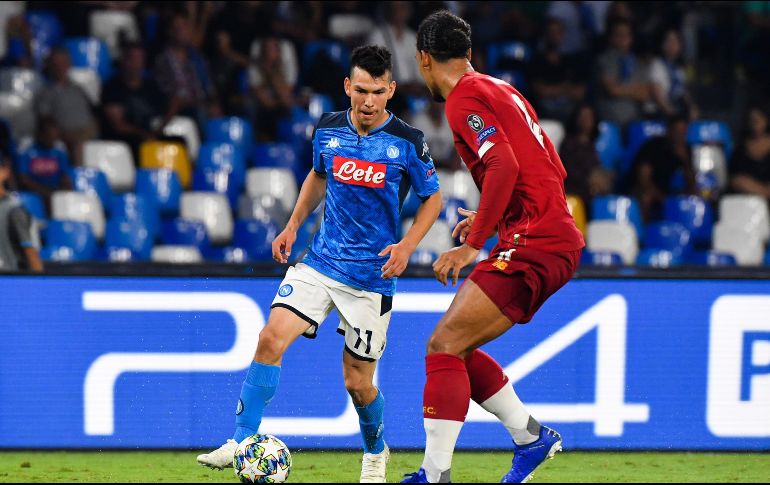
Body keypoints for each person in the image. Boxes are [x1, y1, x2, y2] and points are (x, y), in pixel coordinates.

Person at [196, 45, 443, 483]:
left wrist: (406, 246)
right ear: (348, 86)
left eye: (377, 92)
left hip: (372, 278)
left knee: (357, 384)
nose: (367, 101)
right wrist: (292, 226)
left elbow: (433, 198)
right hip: (320, 262)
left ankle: (375, 451)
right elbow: (318, 176)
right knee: (271, 338)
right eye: (360, 90)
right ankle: (240, 439)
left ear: (391, 91)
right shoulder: (328, 129)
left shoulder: (407, 142)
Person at [402, 11, 584, 483]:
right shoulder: (502, 88)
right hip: (550, 234)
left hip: (536, 239)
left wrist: (474, 244)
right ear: (468, 52)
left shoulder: (463, 98)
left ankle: (434, 475)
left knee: (443, 345)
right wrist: (496, 218)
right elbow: (549, 163)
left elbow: (502, 164)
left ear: (423, 58)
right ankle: (530, 438)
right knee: (453, 348)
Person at [628, 114, 696, 222]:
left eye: (683, 131)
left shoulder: (686, 150)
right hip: (646, 189)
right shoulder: (653, 147)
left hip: (670, 192)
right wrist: (663, 198)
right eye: (677, 131)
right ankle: (644, 234)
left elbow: (691, 183)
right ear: (669, 131)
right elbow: (643, 180)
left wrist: (685, 161)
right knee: (646, 196)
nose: (680, 135)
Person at [16, 118, 73, 211]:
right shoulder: (26, 149)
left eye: (54, 137)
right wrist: (45, 192)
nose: (52, 141)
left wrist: (63, 192)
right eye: (49, 137)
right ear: (40, 134)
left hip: (55, 193)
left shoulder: (59, 150)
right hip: (34, 195)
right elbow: (24, 180)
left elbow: (65, 177)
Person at [0, 158, 43, 273]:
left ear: (5, 171)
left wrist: (41, 284)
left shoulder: (14, 210)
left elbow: (30, 251)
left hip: (8, 278)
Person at [730, 105, 770, 199]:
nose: (755, 123)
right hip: (745, 201)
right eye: (752, 120)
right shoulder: (740, 148)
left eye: (758, 119)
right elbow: (735, 179)